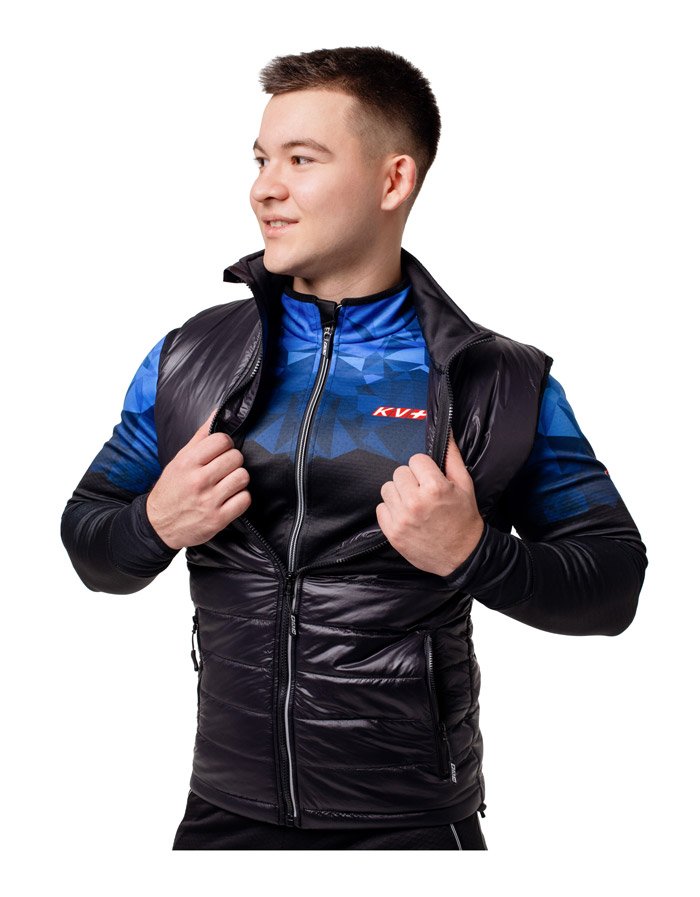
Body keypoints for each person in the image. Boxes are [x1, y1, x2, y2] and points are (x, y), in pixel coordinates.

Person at [60, 46, 648, 851]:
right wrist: (153, 523)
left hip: (408, 827)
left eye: (301, 159)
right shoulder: (189, 358)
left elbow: (613, 583)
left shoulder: (498, 381)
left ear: (393, 180)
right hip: (222, 813)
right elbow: (89, 540)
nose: (265, 188)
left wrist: (476, 554)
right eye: (262, 159)